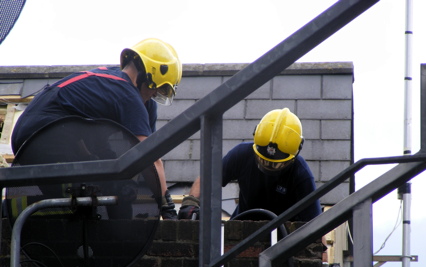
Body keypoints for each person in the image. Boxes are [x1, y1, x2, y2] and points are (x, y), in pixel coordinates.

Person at [11, 38, 181, 219]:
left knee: (106, 178)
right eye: (157, 88)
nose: (155, 94)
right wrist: (168, 208)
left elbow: (93, 136)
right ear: (149, 76)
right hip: (40, 135)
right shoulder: (126, 95)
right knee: (100, 187)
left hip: (43, 130)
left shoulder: (113, 84)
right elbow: (151, 158)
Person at [178, 108, 322, 222]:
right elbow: (208, 178)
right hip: (241, 225)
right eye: (264, 161)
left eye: (275, 165)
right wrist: (191, 203)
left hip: (283, 237)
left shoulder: (301, 174)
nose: (268, 167)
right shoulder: (242, 154)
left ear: (293, 157)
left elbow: (315, 225)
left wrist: (321, 256)